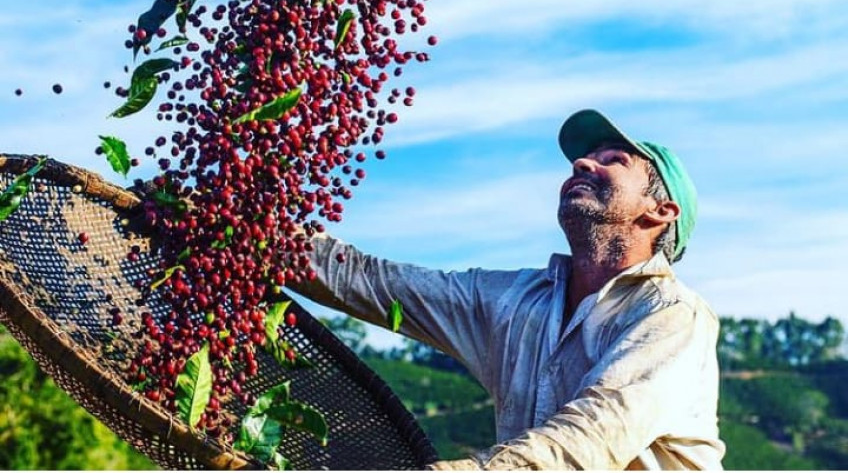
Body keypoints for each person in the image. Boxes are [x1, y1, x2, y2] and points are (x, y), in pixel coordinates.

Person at [288, 109, 724, 470]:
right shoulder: (516, 302)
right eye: (585, 157)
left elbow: (590, 437)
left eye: (613, 159)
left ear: (660, 211)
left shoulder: (672, 317)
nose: (583, 164)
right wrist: (259, 237)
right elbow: (374, 282)